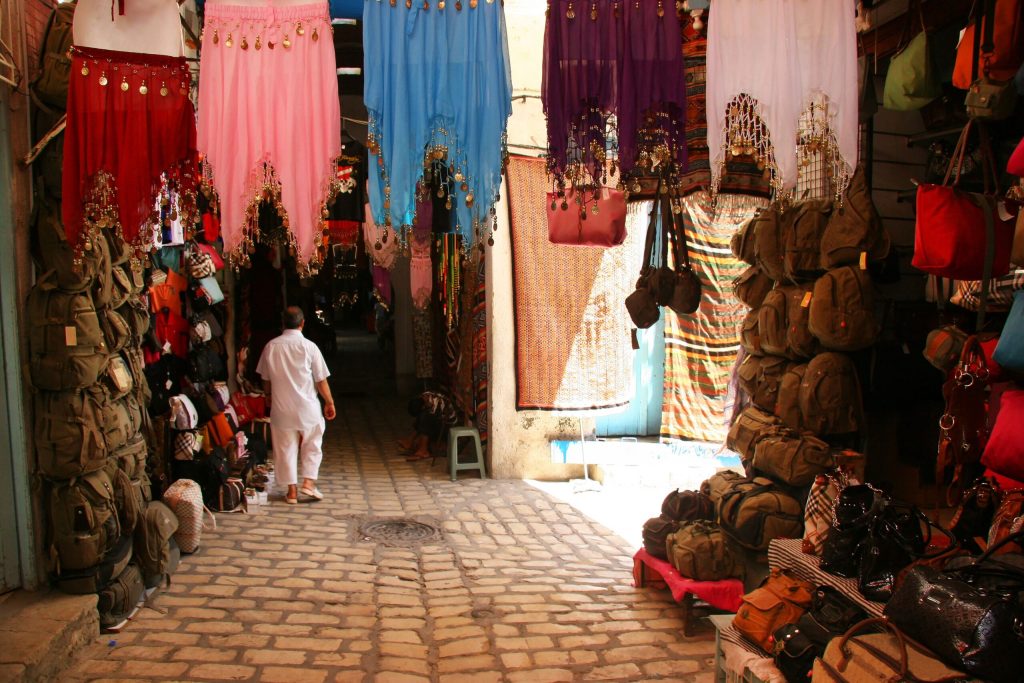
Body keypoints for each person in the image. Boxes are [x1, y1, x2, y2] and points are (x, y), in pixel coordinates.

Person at [256, 306, 336, 504]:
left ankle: (291, 491)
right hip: (308, 408)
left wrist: (268, 396)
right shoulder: (310, 347)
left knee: (284, 448)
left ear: (282, 323)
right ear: (302, 323)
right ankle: (308, 482)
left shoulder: (271, 346)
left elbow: (265, 378)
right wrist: (329, 401)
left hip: (281, 409)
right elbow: (321, 380)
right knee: (313, 443)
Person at [397, 389, 458, 461]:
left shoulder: (435, 403)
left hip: (448, 425)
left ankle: (423, 450)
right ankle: (409, 440)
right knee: (423, 416)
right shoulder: (424, 397)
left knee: (425, 417)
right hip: (439, 420)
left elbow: (431, 422)